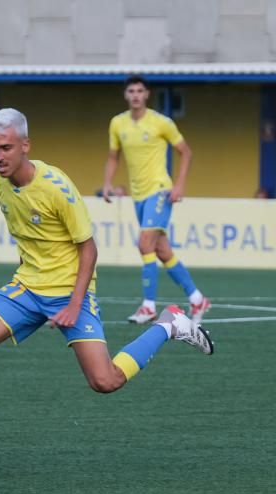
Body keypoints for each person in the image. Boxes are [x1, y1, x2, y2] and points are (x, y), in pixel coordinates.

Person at [0, 108, 214, 475]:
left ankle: (169, 325)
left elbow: (89, 249)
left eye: (6, 147)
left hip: (71, 293)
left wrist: (73, 304)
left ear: (25, 146)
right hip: (27, 286)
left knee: (105, 381)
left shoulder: (56, 186)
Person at [103, 75, 211, 325]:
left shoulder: (161, 123)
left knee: (144, 243)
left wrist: (179, 185)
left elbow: (186, 152)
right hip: (138, 195)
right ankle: (197, 299)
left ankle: (148, 306)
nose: (136, 95)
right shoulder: (117, 124)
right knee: (162, 251)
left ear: (147, 94)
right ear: (125, 95)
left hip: (160, 190)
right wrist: (108, 183)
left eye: (140, 90)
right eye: (131, 91)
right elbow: (112, 156)